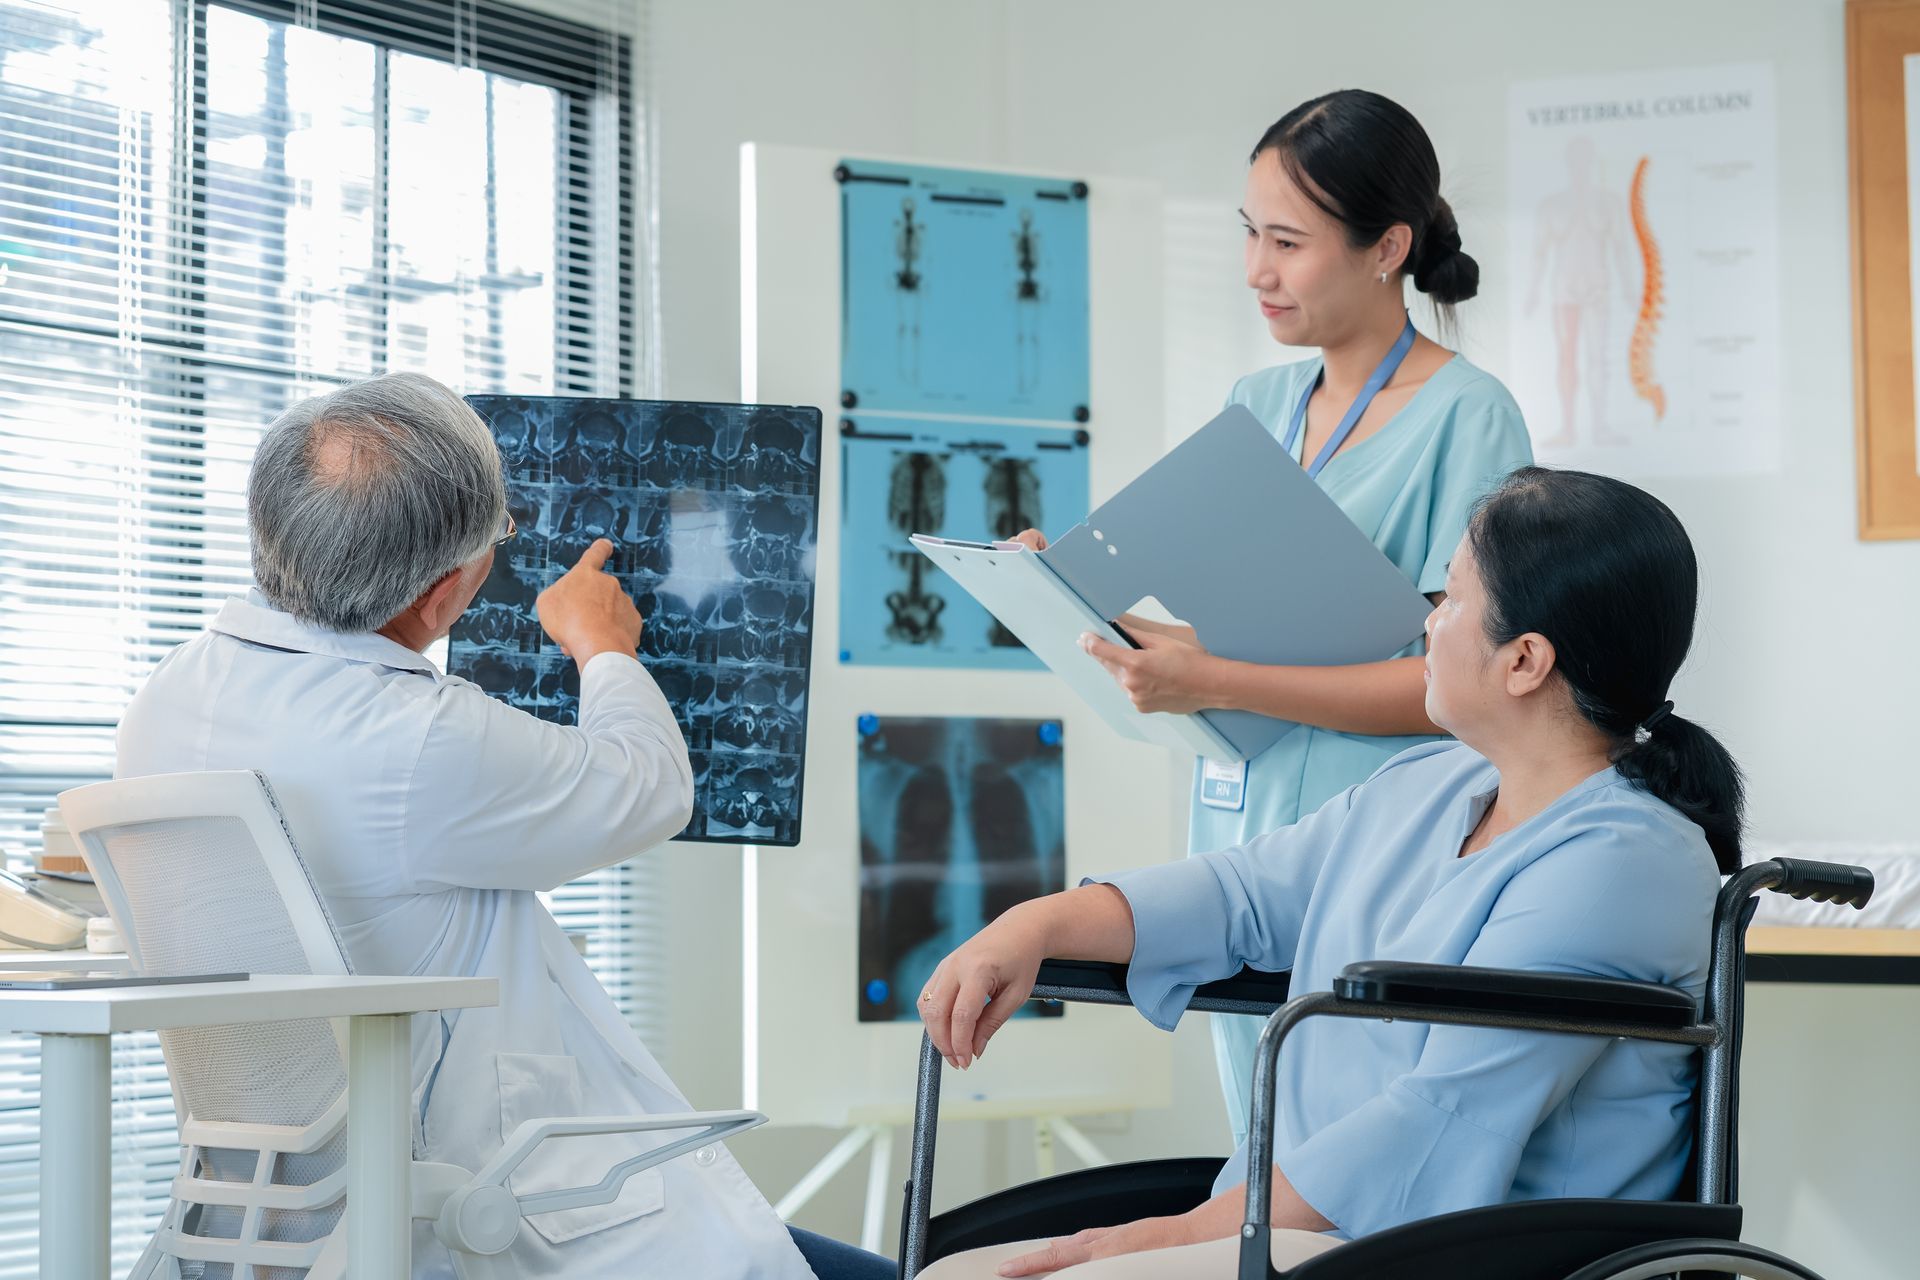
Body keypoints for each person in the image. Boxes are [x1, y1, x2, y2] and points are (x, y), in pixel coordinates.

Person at [115, 373, 892, 1280]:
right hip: (473, 1214)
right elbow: (648, 786)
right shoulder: (417, 739)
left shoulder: (163, 699)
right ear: (445, 594)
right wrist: (601, 645)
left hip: (267, 1224)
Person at [921, 468, 1741, 1277]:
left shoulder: (1627, 861)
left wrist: (1179, 1236)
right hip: (1299, 1230)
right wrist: (1034, 925)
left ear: (1523, 660)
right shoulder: (1431, 783)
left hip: (1454, 1246)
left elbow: (1445, 1115)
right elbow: (1239, 895)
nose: (1429, 625)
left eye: (1450, 599)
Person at [1012, 89, 1534, 1144]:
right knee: (1258, 1152)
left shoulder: (1470, 419)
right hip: (1238, 825)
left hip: (1384, 843)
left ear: (1387, 246)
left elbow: (1454, 696)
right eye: (1249, 234)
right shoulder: (1257, 408)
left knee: (1337, 1169)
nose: (1257, 269)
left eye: (1287, 242)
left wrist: (1210, 677)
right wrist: (1103, 618)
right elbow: (1252, 644)